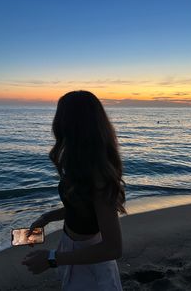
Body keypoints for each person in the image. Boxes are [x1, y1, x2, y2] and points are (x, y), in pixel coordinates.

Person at [22, 90, 127, 290]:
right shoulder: (79, 162)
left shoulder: (98, 176)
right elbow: (81, 207)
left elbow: (113, 248)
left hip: (93, 261)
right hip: (71, 248)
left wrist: (52, 259)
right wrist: (48, 217)